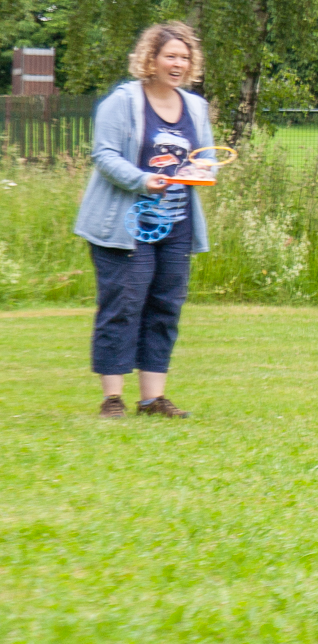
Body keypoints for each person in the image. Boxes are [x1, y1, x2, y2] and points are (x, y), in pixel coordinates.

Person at [73, 21, 213, 419]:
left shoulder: (195, 106)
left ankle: (152, 399)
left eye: (184, 57)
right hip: (125, 225)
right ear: (150, 59)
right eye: (170, 55)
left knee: (166, 306)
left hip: (177, 225)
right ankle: (112, 399)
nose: (178, 64)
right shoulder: (122, 101)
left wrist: (206, 169)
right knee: (123, 305)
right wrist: (141, 180)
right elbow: (104, 154)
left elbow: (204, 155)